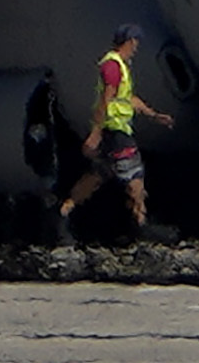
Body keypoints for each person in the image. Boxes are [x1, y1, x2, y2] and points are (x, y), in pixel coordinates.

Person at [59, 30, 156, 244]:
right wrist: (96, 132)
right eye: (135, 42)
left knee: (99, 173)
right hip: (116, 131)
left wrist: (152, 114)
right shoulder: (112, 66)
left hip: (115, 130)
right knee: (135, 178)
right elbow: (106, 98)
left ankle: (64, 212)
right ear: (129, 42)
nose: (137, 48)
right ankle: (141, 227)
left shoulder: (119, 65)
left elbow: (126, 97)